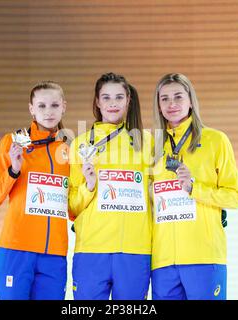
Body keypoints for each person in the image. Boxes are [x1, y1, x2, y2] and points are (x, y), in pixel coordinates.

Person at [151, 73, 238, 300]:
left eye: (178, 97)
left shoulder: (216, 140)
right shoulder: (151, 146)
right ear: (159, 106)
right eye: (164, 99)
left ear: (191, 101)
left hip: (203, 256)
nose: (171, 104)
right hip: (162, 260)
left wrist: (195, 188)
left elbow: (234, 197)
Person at [68, 72, 153, 300]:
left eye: (118, 97)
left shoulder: (148, 142)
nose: (112, 103)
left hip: (136, 249)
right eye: (106, 97)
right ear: (97, 101)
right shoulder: (81, 144)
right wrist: (90, 185)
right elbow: (73, 206)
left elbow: (167, 183)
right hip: (91, 249)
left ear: (128, 100)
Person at [0, 81, 70, 300]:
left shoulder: (71, 150)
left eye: (54, 105)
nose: (48, 112)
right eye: (41, 106)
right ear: (31, 108)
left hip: (54, 254)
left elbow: (73, 207)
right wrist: (13, 169)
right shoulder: (12, 142)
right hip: (16, 249)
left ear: (64, 107)